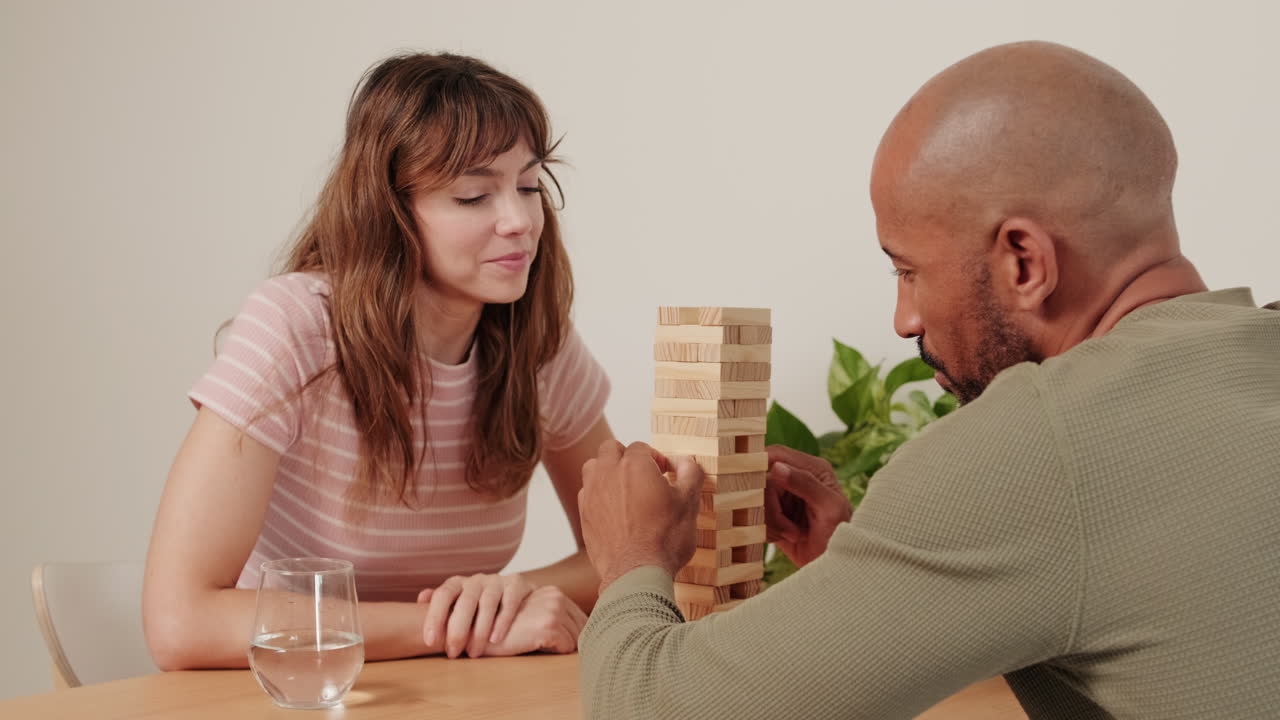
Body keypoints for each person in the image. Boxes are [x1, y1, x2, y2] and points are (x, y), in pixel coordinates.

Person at [577, 41, 1280, 719]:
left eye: (907, 270)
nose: (903, 319)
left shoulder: (1036, 443)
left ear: (1024, 263)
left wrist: (631, 557)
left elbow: (651, 708)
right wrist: (880, 585)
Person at [143, 52, 612, 670]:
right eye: (473, 196)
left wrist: (507, 596)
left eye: (528, 186)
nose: (520, 220)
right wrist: (447, 625)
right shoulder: (295, 326)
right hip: (291, 692)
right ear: (388, 213)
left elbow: (626, 551)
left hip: (447, 695)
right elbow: (181, 622)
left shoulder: (537, 341)